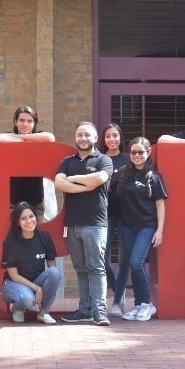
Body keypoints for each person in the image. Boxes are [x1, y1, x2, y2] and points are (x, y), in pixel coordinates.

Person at [55, 122, 113, 326]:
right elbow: (59, 183)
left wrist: (73, 180)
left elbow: (99, 178)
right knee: (80, 269)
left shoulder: (103, 159)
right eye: (79, 135)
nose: (83, 138)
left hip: (95, 224)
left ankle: (99, 312)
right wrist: (85, 186)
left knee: (96, 268)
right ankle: (84, 310)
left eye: (87, 135)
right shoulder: (67, 161)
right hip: (72, 225)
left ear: (95, 138)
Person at [114, 137, 167, 321]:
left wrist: (159, 231)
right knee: (131, 264)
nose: (137, 155)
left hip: (147, 226)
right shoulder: (123, 174)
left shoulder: (154, 176)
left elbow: (160, 205)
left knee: (137, 263)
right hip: (127, 227)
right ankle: (138, 305)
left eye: (140, 152)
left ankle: (147, 304)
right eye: (133, 152)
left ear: (148, 153)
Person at [0, 202, 62, 324]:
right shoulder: (11, 242)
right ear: (17, 222)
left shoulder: (44, 237)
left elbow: (52, 269)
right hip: (13, 284)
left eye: (31, 216)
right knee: (27, 299)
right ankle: (18, 307)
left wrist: (50, 292)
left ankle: (43, 313)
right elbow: (14, 276)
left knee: (55, 272)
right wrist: (37, 288)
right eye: (23, 218)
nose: (29, 221)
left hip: (36, 281)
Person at [0, 105, 55, 219]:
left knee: (36, 235)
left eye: (29, 121)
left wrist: (22, 137)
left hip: (35, 199)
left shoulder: (39, 137)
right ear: (15, 121)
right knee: (14, 235)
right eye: (21, 120)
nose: (25, 124)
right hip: (13, 199)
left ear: (34, 123)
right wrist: (23, 138)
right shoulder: (8, 137)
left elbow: (50, 138)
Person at [100, 123, 130, 317]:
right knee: (102, 259)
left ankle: (118, 301)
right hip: (105, 214)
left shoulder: (129, 158)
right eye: (108, 136)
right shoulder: (100, 159)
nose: (112, 139)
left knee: (125, 259)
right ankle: (117, 285)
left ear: (120, 137)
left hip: (127, 214)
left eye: (115, 136)